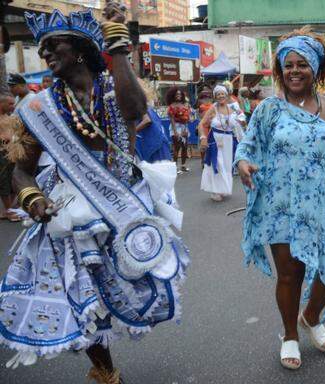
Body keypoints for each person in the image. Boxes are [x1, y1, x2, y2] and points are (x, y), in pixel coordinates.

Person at [0, 6, 189, 382]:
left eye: (54, 45)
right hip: (70, 217)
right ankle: (104, 371)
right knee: (81, 299)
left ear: (83, 49)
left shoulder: (116, 89)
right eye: (42, 48)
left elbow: (134, 109)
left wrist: (117, 39)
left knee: (134, 287)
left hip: (122, 206)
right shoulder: (37, 108)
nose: (45, 54)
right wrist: (33, 200)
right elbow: (21, 170)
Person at [234, 27, 325, 370]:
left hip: (322, 205)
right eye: (287, 64)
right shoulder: (269, 110)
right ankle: (290, 334)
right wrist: (243, 162)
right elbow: (246, 145)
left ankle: (311, 315)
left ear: (316, 69)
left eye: (301, 64)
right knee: (289, 275)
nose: (293, 70)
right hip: (281, 206)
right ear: (280, 70)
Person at [199, 85, 246, 201]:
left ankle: (223, 188)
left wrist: (243, 122)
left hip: (229, 141)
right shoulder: (213, 108)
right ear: (215, 97)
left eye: (222, 94)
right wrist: (203, 138)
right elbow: (201, 124)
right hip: (215, 140)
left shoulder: (233, 108)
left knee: (226, 166)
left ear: (226, 95)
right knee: (217, 164)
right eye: (218, 94)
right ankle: (215, 191)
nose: (220, 96)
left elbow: (242, 122)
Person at [0, 92, 20, 222]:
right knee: (4, 183)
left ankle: (8, 210)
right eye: (10, 104)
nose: (13, 106)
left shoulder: (11, 117)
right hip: (2, 155)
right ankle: (9, 211)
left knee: (13, 182)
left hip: (13, 153)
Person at [166, 87, 191, 173]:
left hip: (184, 127)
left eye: (180, 94)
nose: (178, 96)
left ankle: (183, 166)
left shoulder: (185, 105)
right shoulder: (171, 107)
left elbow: (188, 118)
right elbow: (172, 120)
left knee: (185, 147)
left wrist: (187, 126)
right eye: (177, 94)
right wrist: (175, 132)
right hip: (175, 127)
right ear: (173, 95)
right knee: (177, 147)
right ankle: (175, 167)